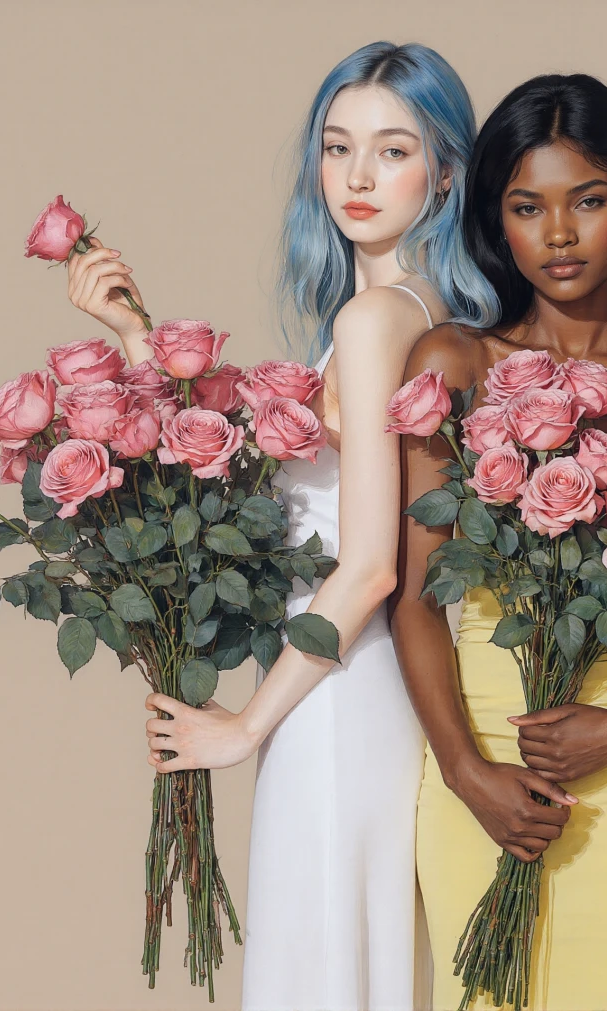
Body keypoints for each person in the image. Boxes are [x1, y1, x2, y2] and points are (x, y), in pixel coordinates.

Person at [64, 41, 495, 1011]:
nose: (357, 176)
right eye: (337, 147)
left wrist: (246, 725)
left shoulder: (374, 324)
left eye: (393, 150)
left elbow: (370, 565)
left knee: (318, 972)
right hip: (361, 685)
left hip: (336, 692)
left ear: (446, 174)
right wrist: (135, 339)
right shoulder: (426, 313)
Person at [388, 74, 607, 1010]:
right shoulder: (454, 363)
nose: (558, 233)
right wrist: (466, 772)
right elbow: (414, 597)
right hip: (482, 778)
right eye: (526, 206)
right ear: (495, 222)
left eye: (587, 200)